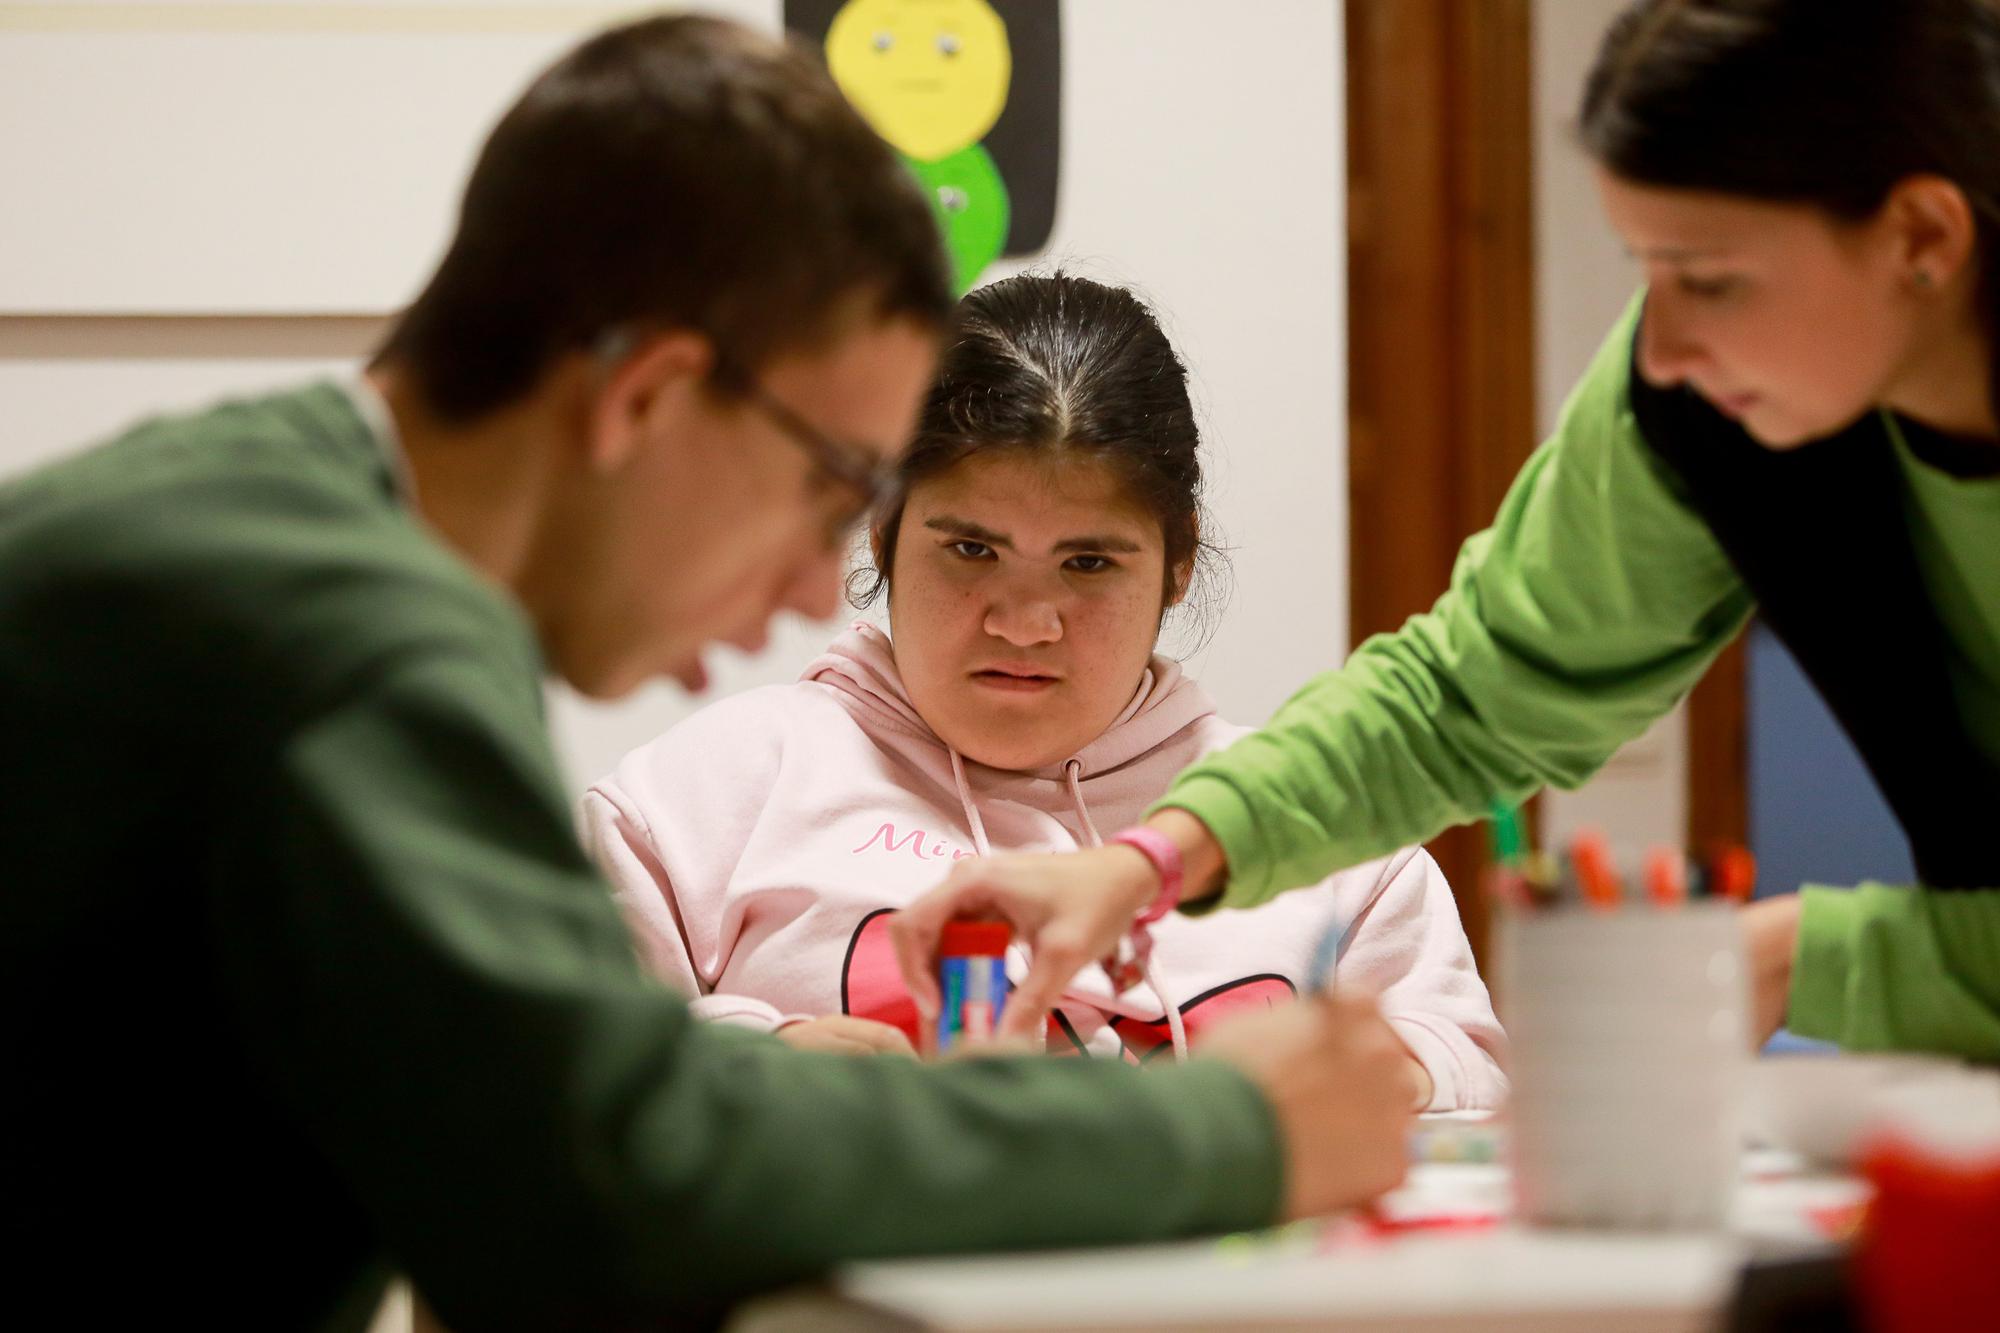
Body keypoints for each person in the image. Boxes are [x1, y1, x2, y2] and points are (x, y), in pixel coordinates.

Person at [1, 16, 1416, 1330]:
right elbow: (607, 1180)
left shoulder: (246, 511)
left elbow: (560, 1109)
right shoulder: (351, 639)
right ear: (648, 397)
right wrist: (1226, 1134)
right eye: (827, 491)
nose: (818, 587)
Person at [894, 0, 2000, 1063]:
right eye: (1643, 271)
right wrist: (1149, 862)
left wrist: (1810, 956)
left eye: (1708, 279)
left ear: (1918, 235)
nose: (1655, 351)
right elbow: (1460, 699)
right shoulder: (1695, 405)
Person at [585, 273, 1508, 1106]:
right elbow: (566, 1070)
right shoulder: (698, 801)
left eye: (1090, 562)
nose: (1025, 621)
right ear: (882, 530)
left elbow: (1470, 1070)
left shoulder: (1318, 835)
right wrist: (757, 1054)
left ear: (1178, 563)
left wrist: (1349, 1075)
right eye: (972, 549)